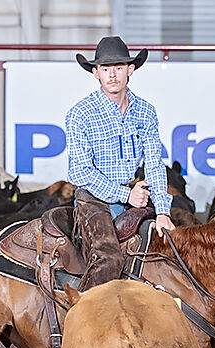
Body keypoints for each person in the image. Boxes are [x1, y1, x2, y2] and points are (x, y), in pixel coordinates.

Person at [66, 36, 175, 291]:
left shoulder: (145, 111)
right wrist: (126, 195)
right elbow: (80, 172)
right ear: (96, 73)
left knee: (169, 248)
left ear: (130, 70)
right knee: (109, 258)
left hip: (134, 193)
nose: (112, 74)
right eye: (105, 68)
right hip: (93, 198)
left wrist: (163, 211)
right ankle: (84, 310)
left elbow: (154, 164)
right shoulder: (80, 114)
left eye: (118, 67)